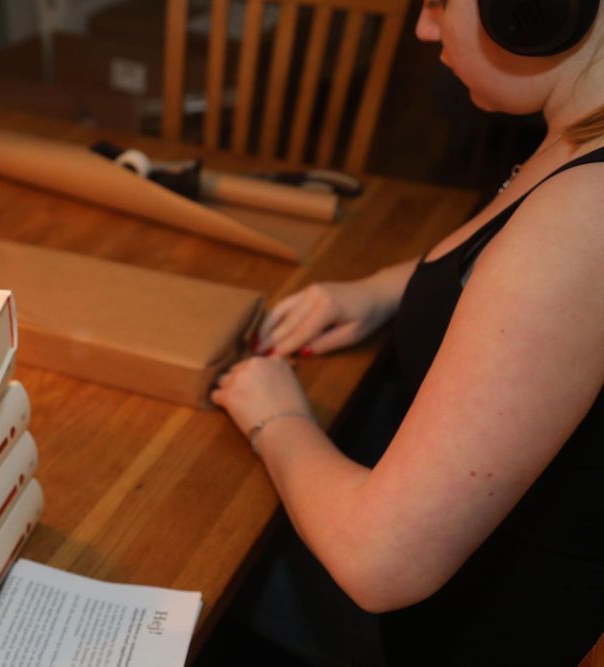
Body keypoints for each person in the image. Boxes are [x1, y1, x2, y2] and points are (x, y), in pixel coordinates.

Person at [211, 1, 604, 664]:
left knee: (194, 560)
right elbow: (509, 260)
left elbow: (378, 562)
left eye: (439, 1)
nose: (424, 27)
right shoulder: (580, 132)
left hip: (469, 630)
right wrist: (389, 287)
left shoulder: (580, 220)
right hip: (474, 568)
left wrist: (273, 414)